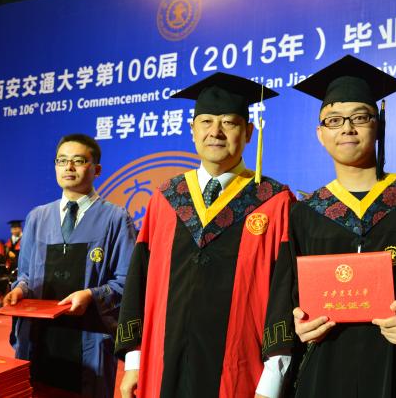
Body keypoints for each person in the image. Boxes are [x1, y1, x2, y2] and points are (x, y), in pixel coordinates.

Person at [263, 55, 396, 397]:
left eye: (360, 117)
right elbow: (286, 298)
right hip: (325, 371)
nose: (347, 128)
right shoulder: (305, 213)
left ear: (378, 125)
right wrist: (298, 324)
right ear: (320, 134)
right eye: (334, 120)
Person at [115, 72, 294, 398]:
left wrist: (272, 379)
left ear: (248, 132)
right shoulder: (166, 198)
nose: (216, 132)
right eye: (206, 122)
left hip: (239, 372)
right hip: (162, 366)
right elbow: (138, 282)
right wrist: (133, 362)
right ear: (192, 130)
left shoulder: (274, 201)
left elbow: (284, 293)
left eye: (229, 123)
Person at [3, 133, 136, 397]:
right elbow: (26, 274)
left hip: (89, 338)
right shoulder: (37, 217)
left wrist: (91, 295)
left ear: (96, 169)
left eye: (78, 160)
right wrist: (20, 289)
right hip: (39, 339)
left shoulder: (116, 218)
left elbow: (127, 282)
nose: (69, 167)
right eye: (62, 161)